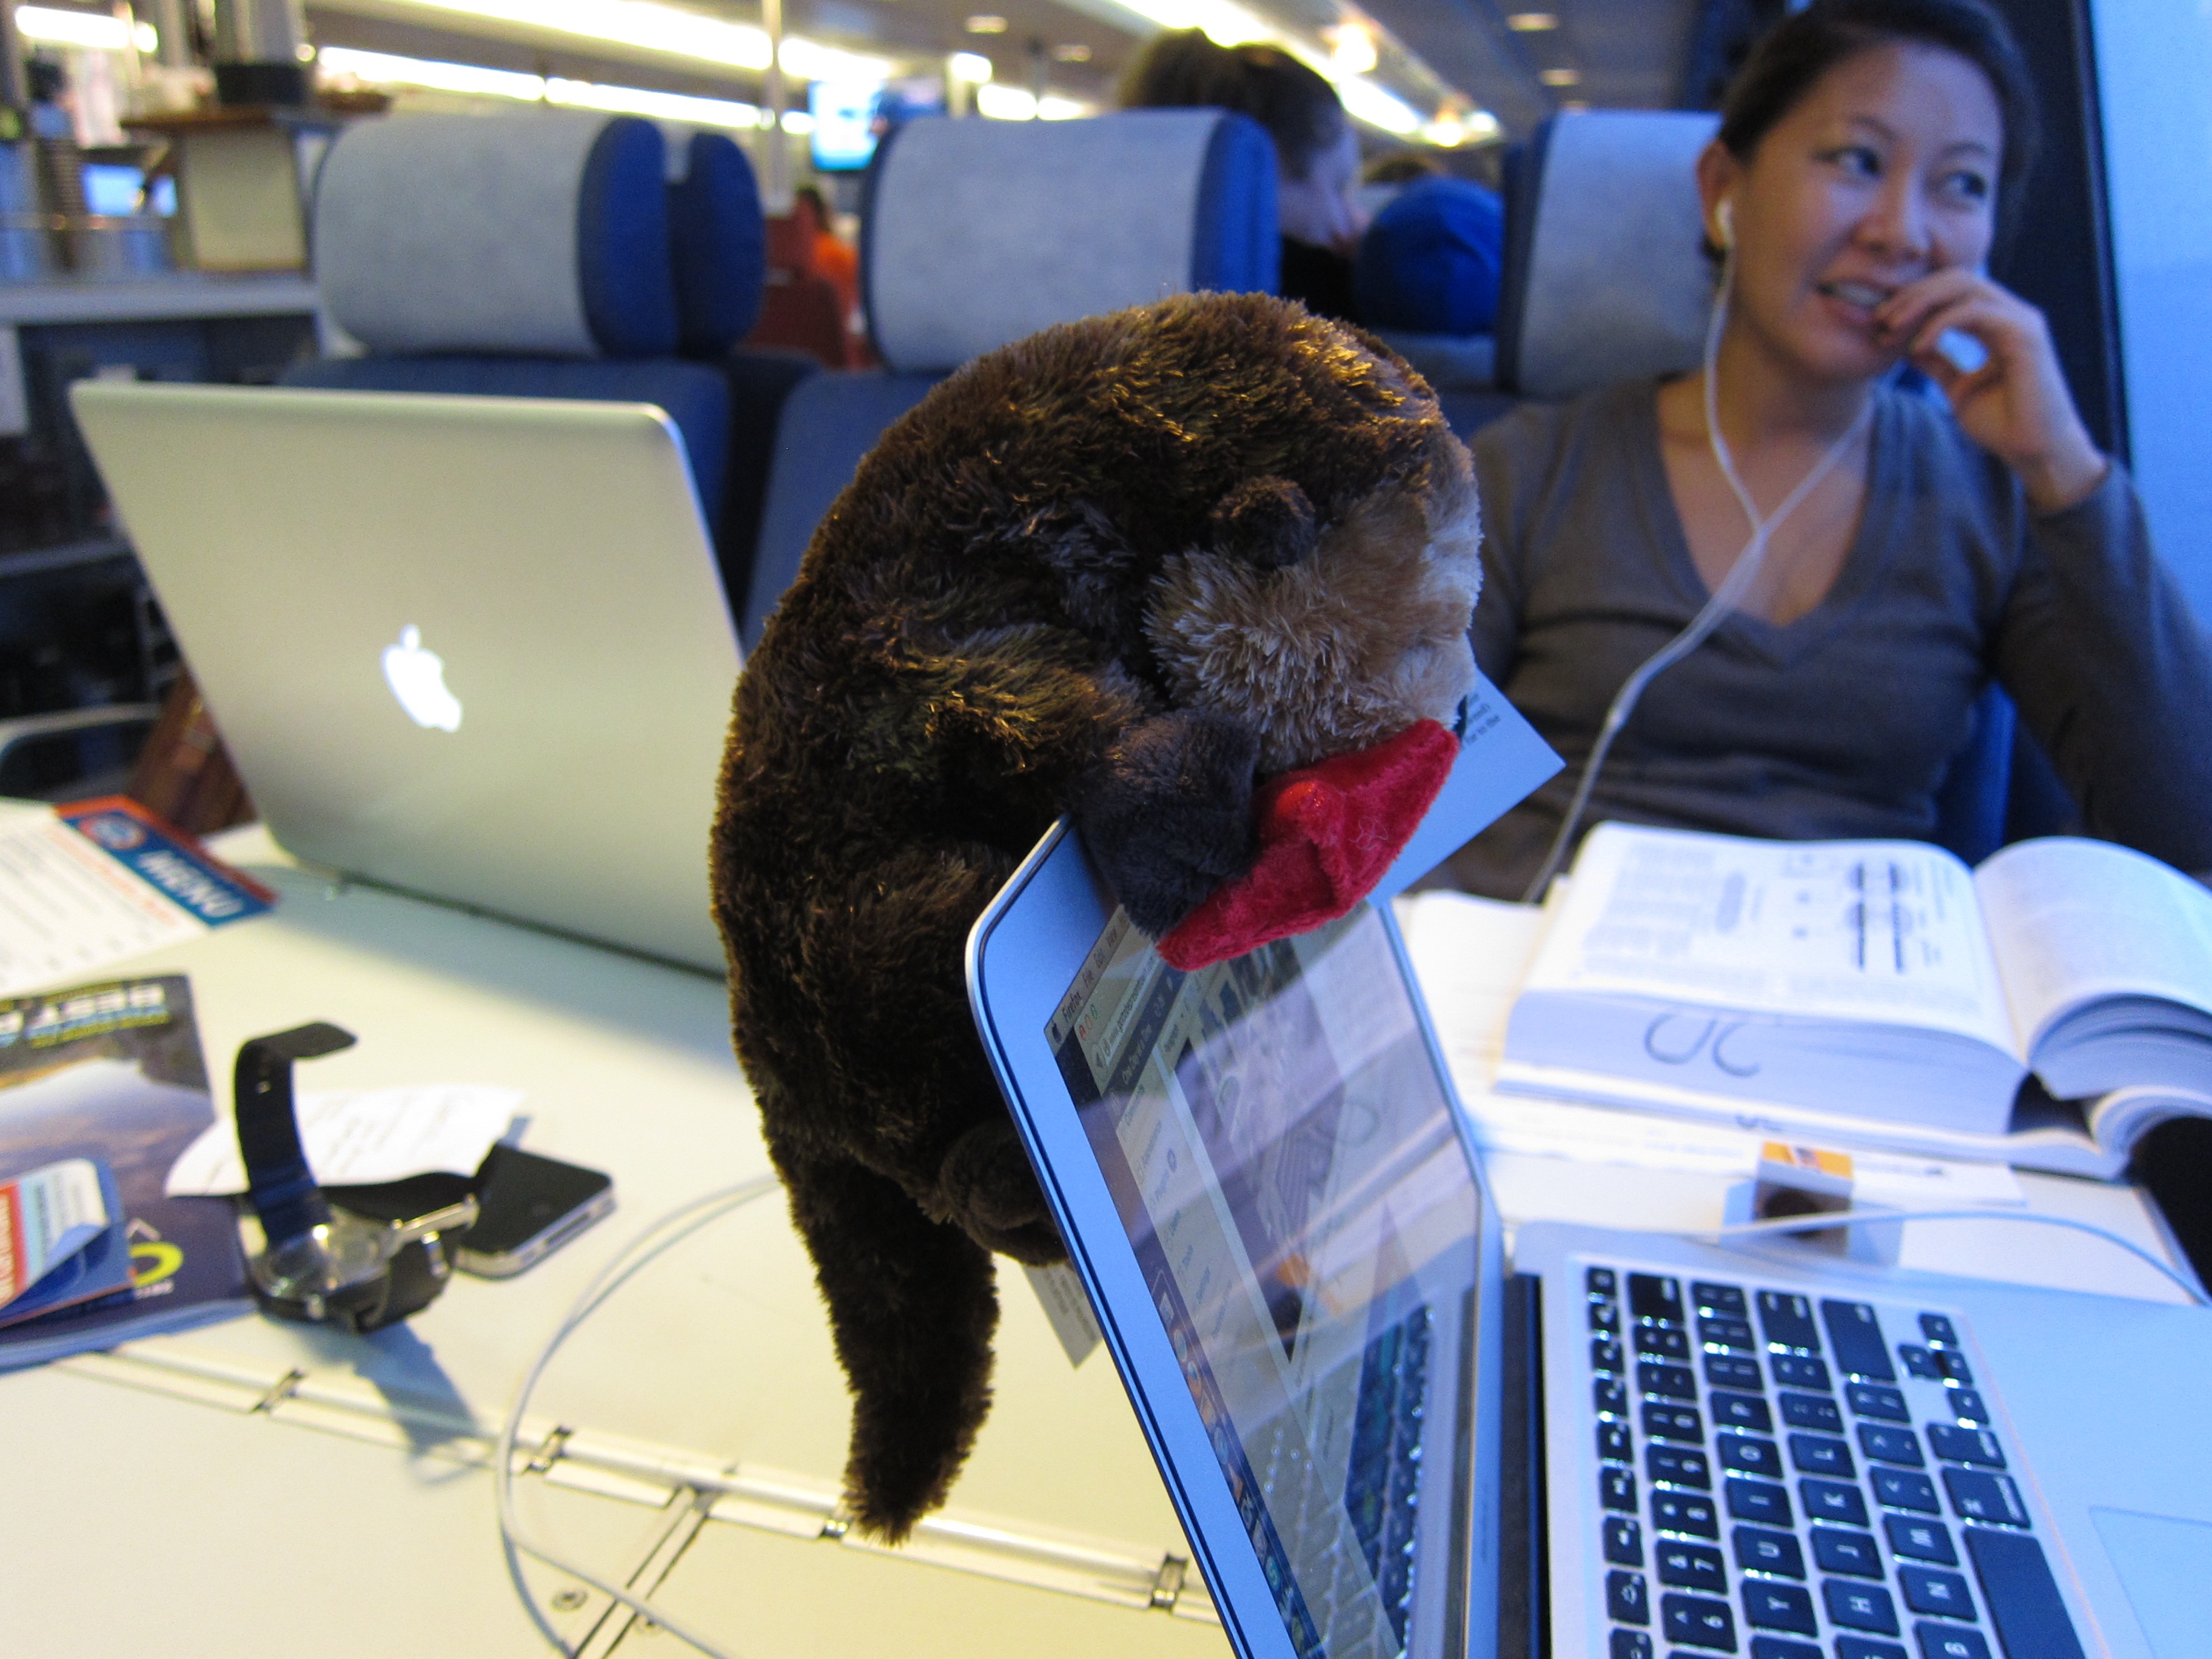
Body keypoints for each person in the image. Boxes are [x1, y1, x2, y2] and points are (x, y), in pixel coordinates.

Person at [1442, 0, 2212, 899]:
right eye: (1858, 161)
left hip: (1861, 967)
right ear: (1723, 189)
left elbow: (2186, 827)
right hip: (1534, 952)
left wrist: (2064, 470)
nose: (1902, 232)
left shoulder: (1992, 497)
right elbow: (1396, 806)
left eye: (1962, 184)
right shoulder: (1535, 468)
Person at [1121, 29, 1366, 321]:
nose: (1355, 219)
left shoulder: (1103, 254)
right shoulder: (1321, 308)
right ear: (1268, 175)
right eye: (1338, 187)